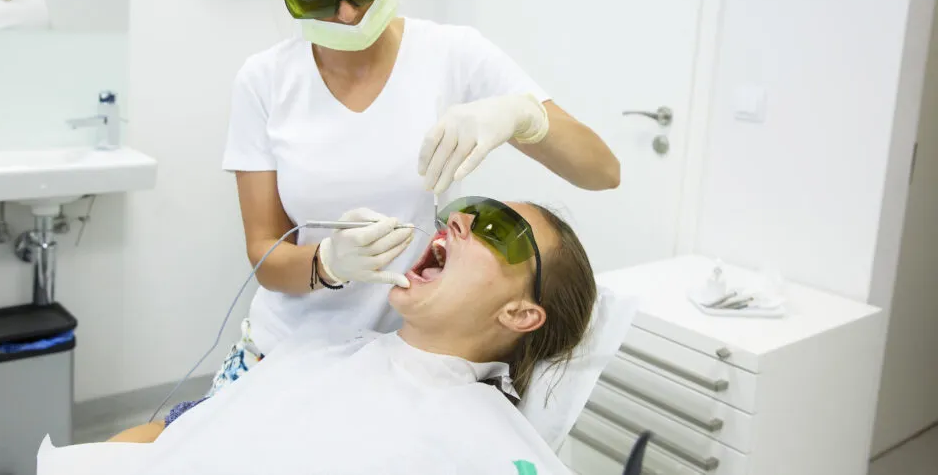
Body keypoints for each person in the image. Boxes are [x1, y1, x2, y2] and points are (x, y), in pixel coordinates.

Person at [197, 0, 619, 416]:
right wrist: (326, 263)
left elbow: (601, 171)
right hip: (281, 354)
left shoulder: (454, 55)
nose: (347, 12)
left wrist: (521, 116)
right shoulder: (265, 81)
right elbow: (265, 253)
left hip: (407, 366)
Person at [40, 197, 596, 475]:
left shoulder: (485, 439)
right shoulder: (320, 353)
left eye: (499, 231)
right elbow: (177, 435)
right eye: (466, 208)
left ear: (522, 314)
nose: (460, 221)